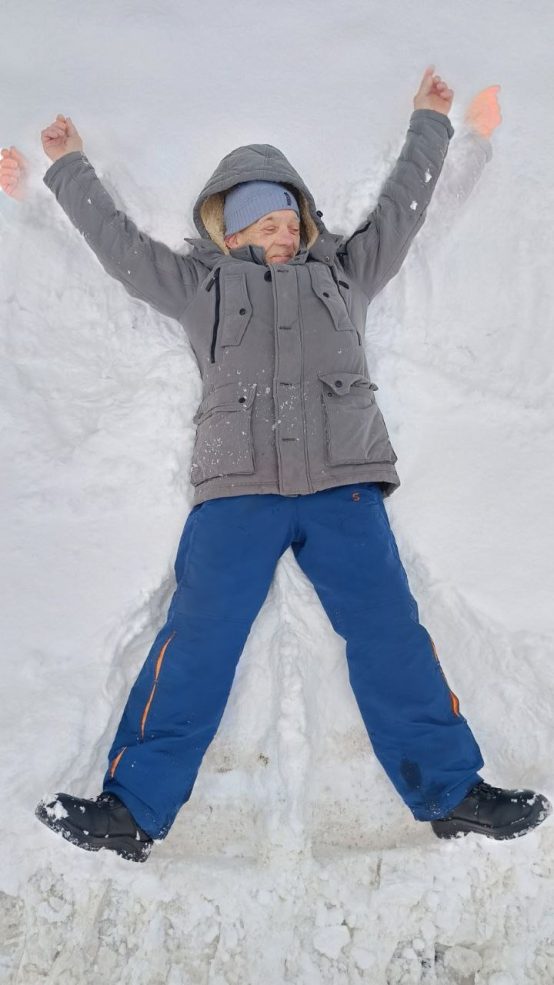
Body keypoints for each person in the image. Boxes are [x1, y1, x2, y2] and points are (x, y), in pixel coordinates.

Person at [2, 68, 550, 862]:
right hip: (239, 491)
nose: (285, 232)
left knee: (390, 632)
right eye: (266, 221)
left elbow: (403, 209)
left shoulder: (345, 272)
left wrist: (430, 122)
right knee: (197, 640)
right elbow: (120, 248)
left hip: (344, 488)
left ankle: (452, 793)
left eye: (291, 218)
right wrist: (69, 166)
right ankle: (132, 809)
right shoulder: (201, 286)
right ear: (232, 232)